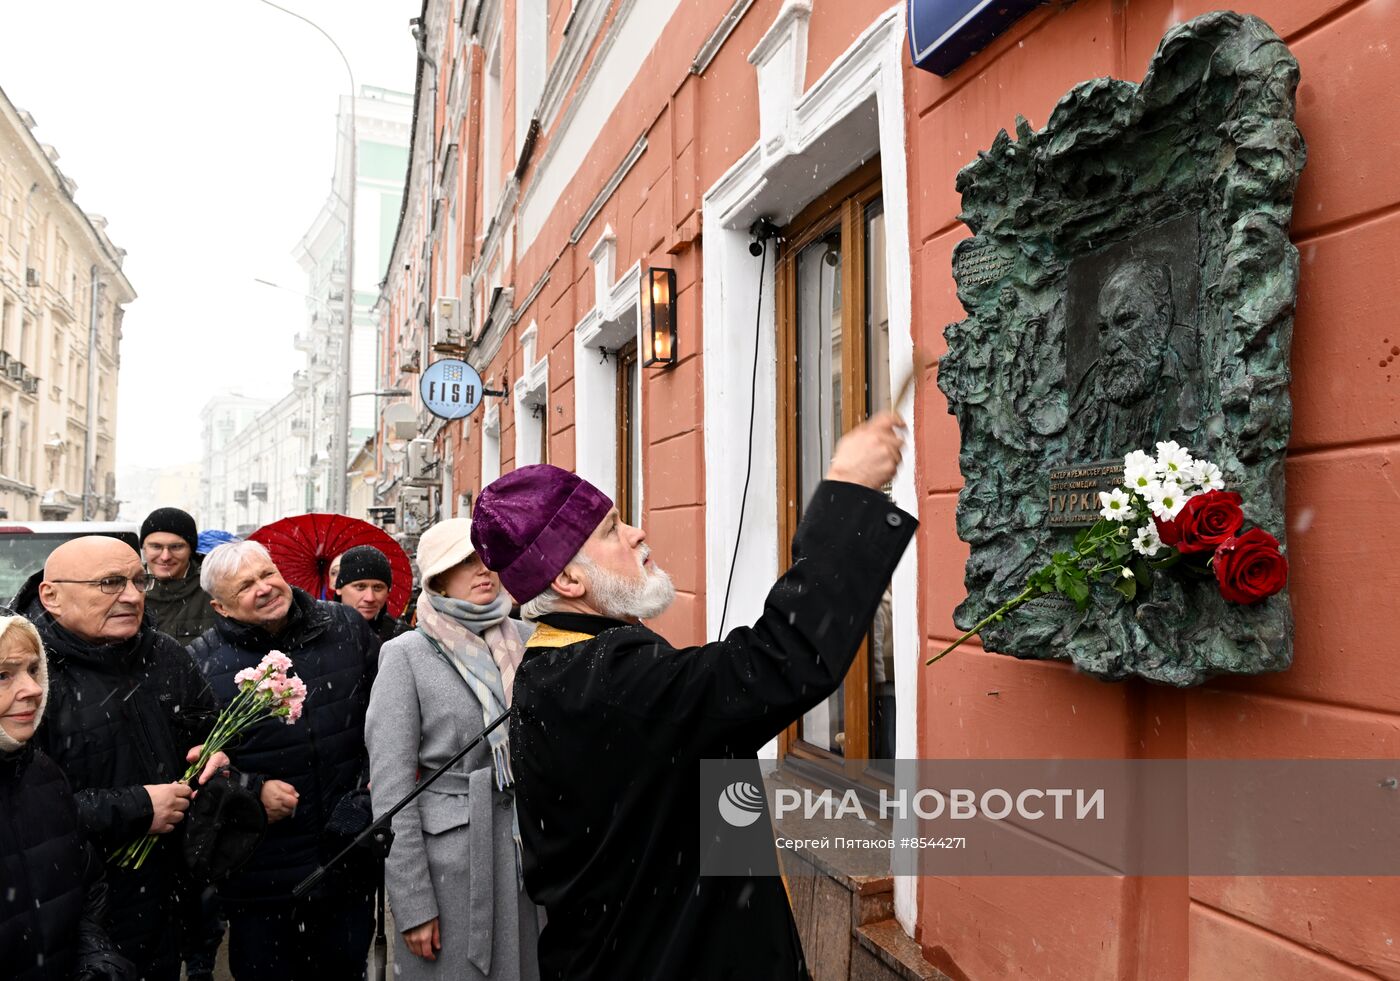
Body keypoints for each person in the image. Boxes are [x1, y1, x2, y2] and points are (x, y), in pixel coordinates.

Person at [469, 412, 914, 980]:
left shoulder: (560, 665)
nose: (636, 533)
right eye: (610, 530)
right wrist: (848, 492)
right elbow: (783, 662)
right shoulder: (606, 681)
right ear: (567, 582)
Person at [13, 537, 223, 980]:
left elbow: (210, 731)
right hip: (74, 913)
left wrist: (217, 757)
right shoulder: (27, 676)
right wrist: (137, 808)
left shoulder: (163, 654)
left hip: (166, 902)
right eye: (110, 583)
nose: (132, 595)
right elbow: (24, 814)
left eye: (137, 580)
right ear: (51, 595)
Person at [189, 540, 380, 981]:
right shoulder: (201, 662)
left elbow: (389, 721)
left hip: (345, 856)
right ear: (221, 607)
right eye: (245, 586)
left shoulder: (346, 627)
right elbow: (196, 765)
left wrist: (366, 794)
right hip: (261, 873)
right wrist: (252, 791)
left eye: (267, 574)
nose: (265, 588)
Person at [366, 519, 539, 981]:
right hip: (452, 863)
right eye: (464, 562)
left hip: (525, 853)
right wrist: (413, 901)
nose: (482, 570)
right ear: (438, 579)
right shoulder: (407, 653)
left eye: (487, 558)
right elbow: (391, 787)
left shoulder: (525, 640)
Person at [0, 613, 132, 981]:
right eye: (3, 675)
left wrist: (93, 959)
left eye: (32, 669)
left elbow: (86, 885)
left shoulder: (40, 772)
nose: (34, 689)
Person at [1069, 258, 1201, 460]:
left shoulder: (1191, 388)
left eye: (1126, 322)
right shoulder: (1086, 400)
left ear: (1162, 320)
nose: (1110, 345)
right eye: (1104, 330)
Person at [141, 507, 219, 647]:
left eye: (176, 547)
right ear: (144, 548)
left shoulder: (213, 589)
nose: (165, 557)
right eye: (156, 547)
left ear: (191, 550)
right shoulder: (122, 587)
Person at [335, 544, 409, 642]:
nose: (370, 598)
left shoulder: (404, 639)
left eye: (378, 587)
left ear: (388, 591)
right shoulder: (317, 635)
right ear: (339, 588)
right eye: (360, 587)